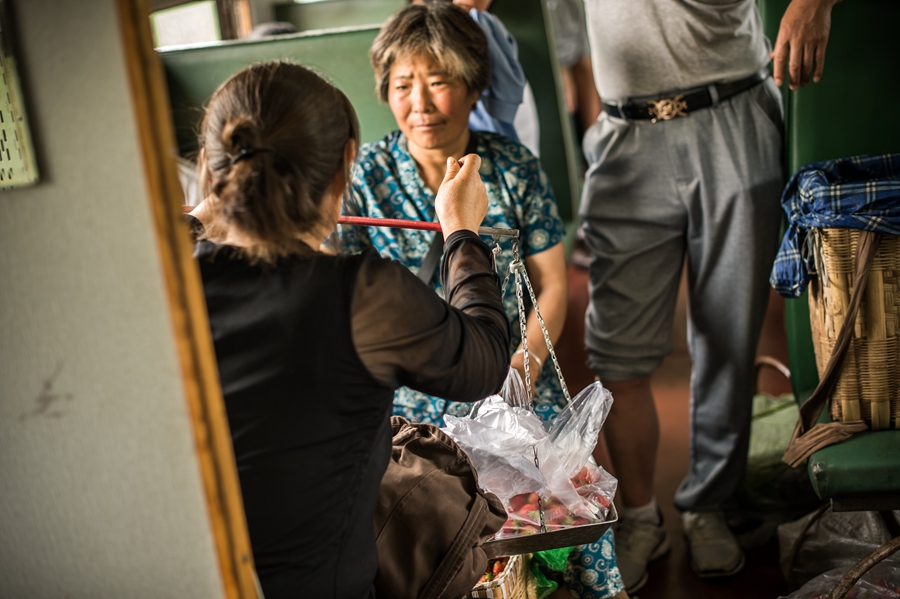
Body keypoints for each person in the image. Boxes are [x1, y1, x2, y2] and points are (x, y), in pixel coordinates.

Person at [186, 60, 510, 599]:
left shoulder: (156, 277)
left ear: (207, 166)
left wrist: (198, 220)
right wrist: (461, 233)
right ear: (342, 174)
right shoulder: (359, 295)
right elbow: (483, 363)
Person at [333, 4, 626, 598]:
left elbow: (550, 283)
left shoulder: (513, 169)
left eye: (438, 82)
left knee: (564, 476)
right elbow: (345, 292)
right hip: (415, 378)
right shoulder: (366, 177)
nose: (420, 103)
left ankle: (601, 588)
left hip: (511, 363)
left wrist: (527, 361)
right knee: (417, 482)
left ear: (474, 88)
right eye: (402, 85)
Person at [577, 0, 843, 593]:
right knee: (615, 354)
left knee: (727, 338)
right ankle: (641, 517)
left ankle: (708, 504)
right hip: (625, 134)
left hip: (733, 114)